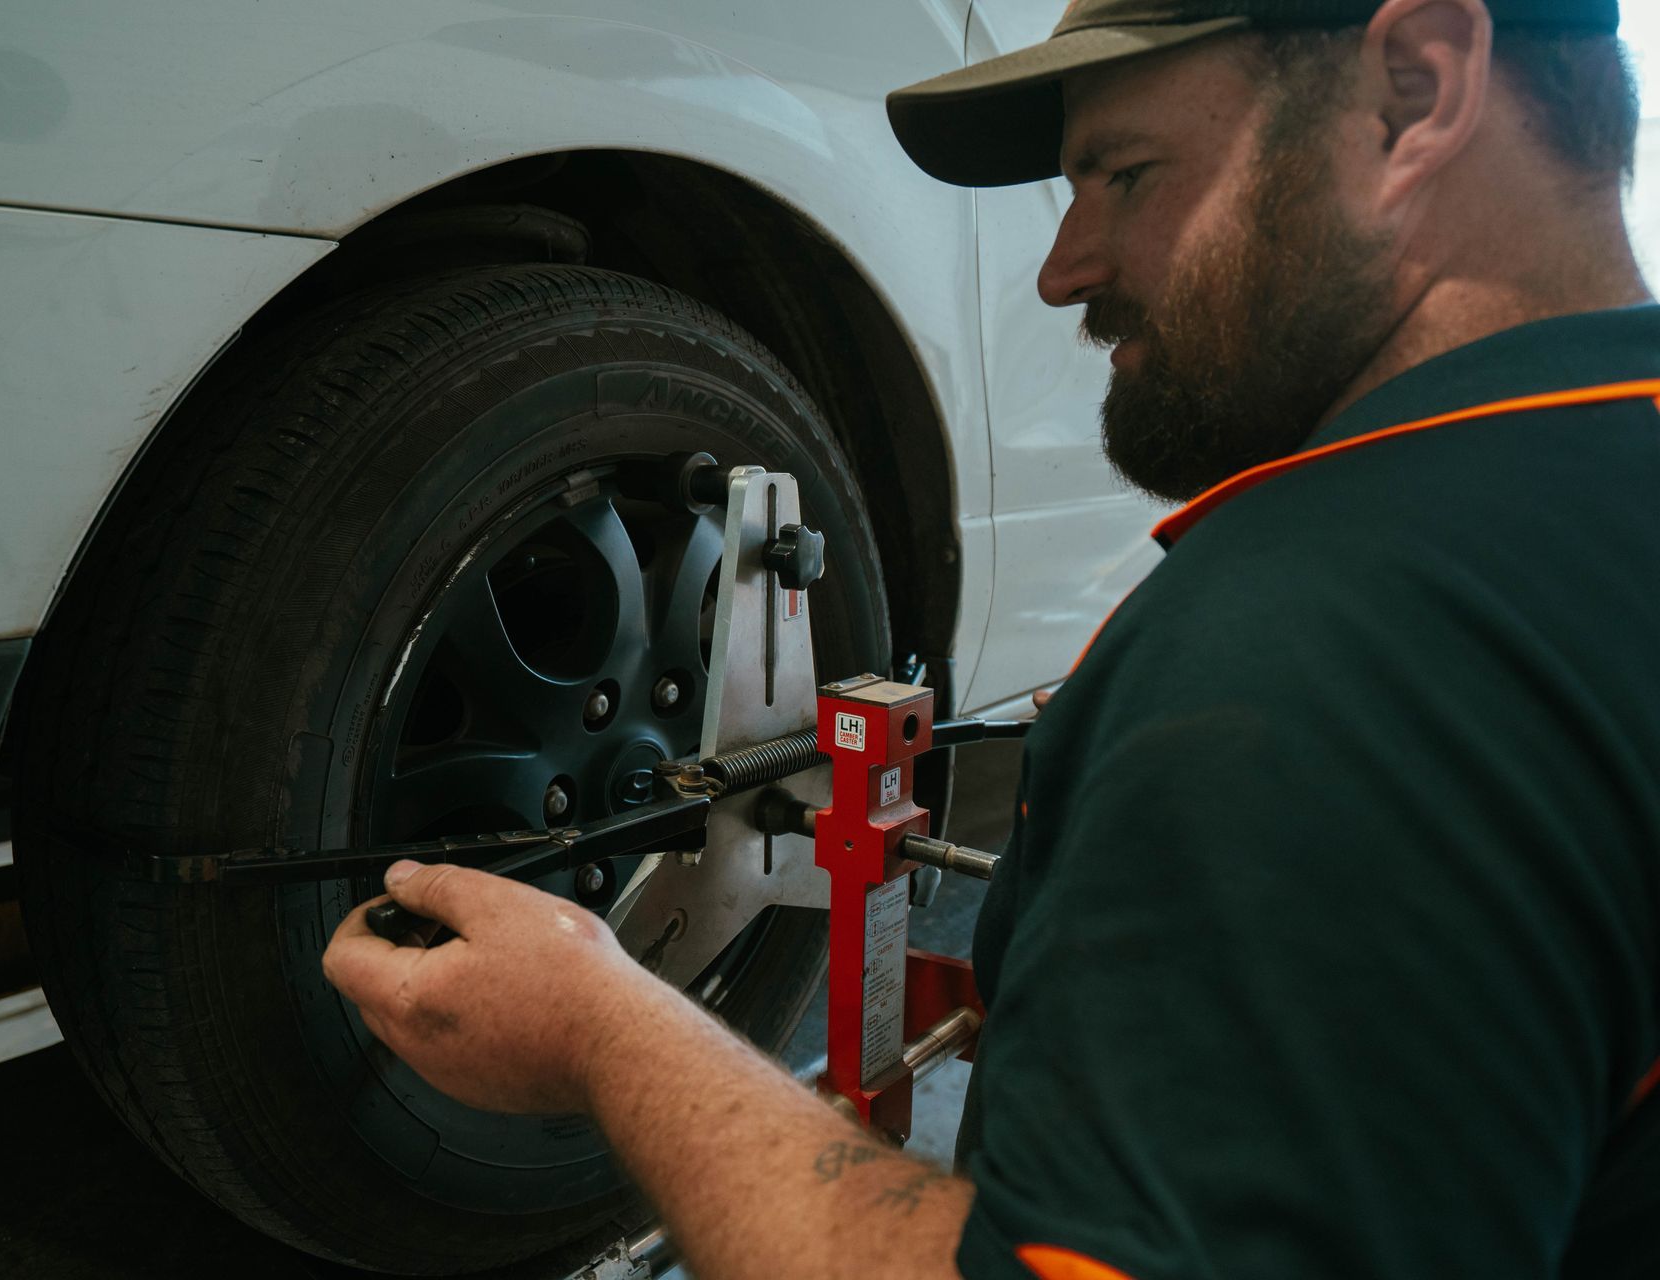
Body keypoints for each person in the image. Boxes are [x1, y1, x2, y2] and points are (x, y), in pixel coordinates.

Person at [323, 0, 1660, 1274]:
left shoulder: (1316, 664)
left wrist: (607, 1037)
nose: (1065, 267)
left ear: (1417, 90)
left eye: (1125, 174)